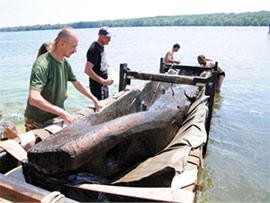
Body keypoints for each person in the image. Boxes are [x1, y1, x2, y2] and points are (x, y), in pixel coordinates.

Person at [24, 26, 103, 132]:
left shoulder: (64, 62)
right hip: (37, 121)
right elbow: (33, 99)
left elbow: (77, 83)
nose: (76, 51)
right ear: (62, 44)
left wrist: (95, 100)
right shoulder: (42, 64)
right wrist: (62, 112)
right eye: (73, 47)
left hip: (55, 117)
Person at [84, 27, 114, 100]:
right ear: (100, 36)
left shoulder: (101, 46)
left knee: (106, 104)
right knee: (102, 107)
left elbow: (99, 63)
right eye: (107, 37)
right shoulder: (94, 49)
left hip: (103, 85)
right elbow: (87, 70)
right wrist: (103, 81)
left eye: (110, 37)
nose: (109, 39)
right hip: (98, 86)